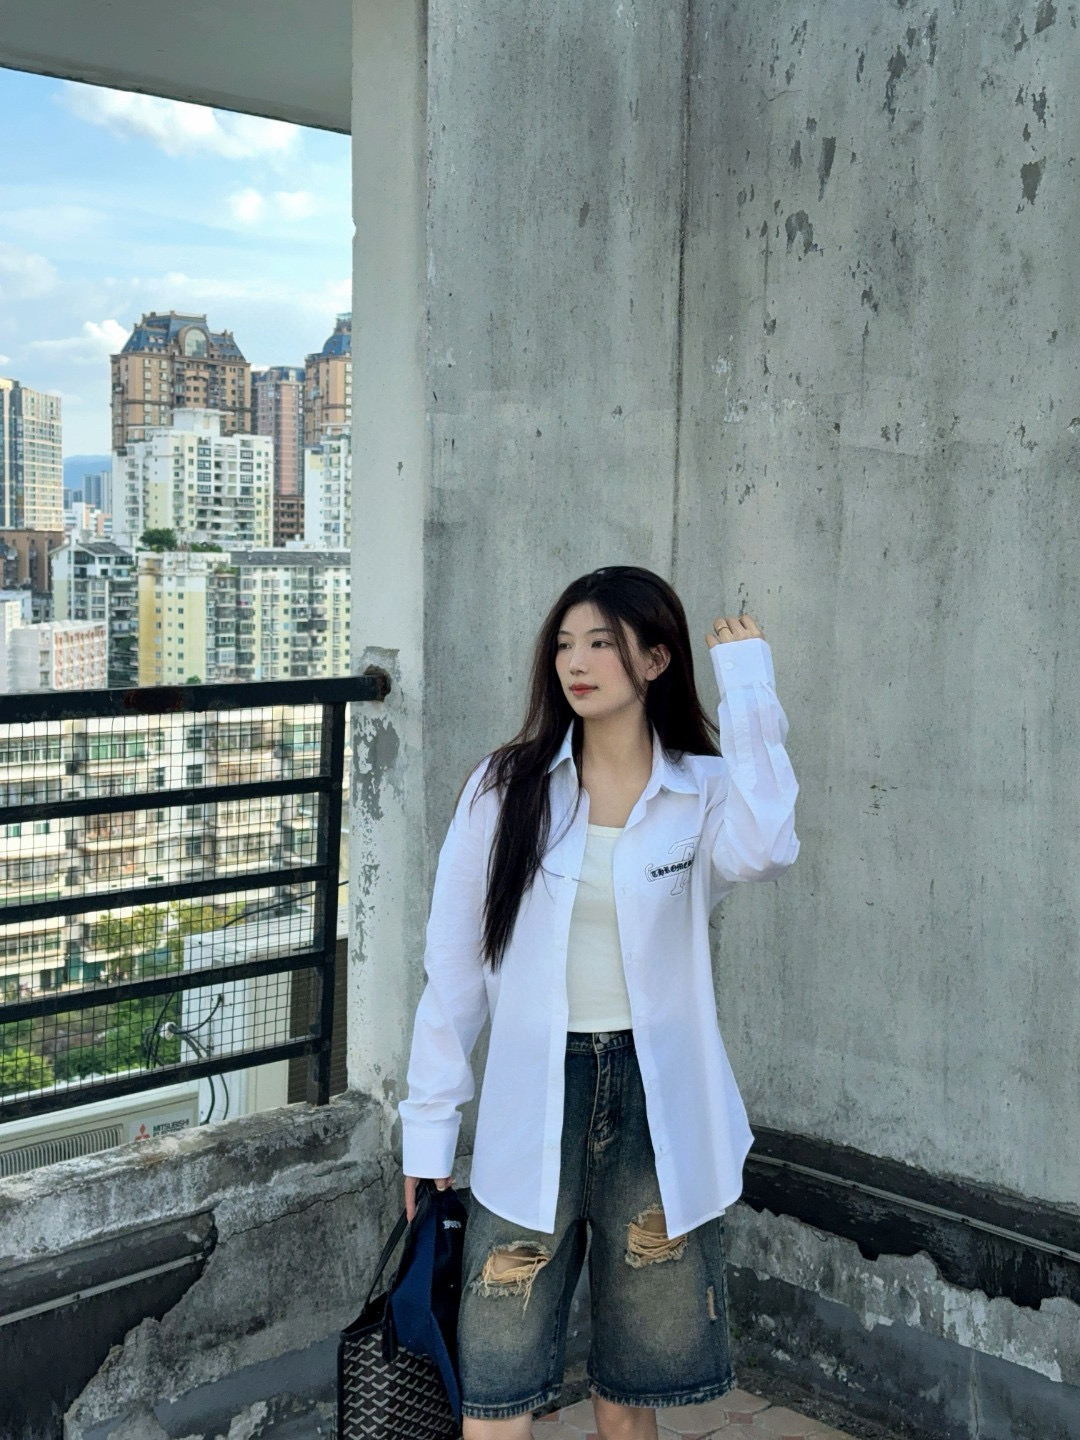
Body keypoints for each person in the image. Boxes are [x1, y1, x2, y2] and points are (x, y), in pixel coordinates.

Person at [400, 565, 799, 1440]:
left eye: (601, 644)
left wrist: (748, 685)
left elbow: (770, 845)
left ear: (656, 660)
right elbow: (454, 971)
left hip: (656, 1110)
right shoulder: (505, 789)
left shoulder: (701, 791)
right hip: (533, 1099)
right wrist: (428, 1129)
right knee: (494, 1393)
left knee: (627, 1396)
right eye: (564, 644)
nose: (575, 663)